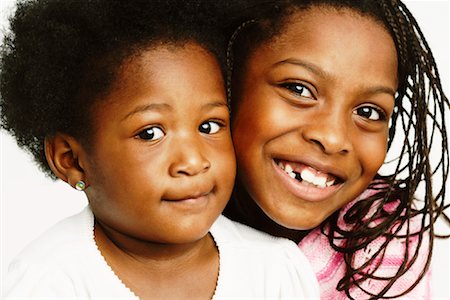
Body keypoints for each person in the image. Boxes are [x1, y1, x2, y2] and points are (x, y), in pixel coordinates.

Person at [0, 0, 320, 298]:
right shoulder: (50, 282)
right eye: (150, 133)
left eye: (209, 126)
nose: (193, 161)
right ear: (73, 161)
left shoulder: (275, 270)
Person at [223, 0, 449, 298]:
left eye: (368, 112)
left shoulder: (388, 252)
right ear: (226, 81)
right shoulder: (157, 227)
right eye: (299, 89)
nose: (332, 138)